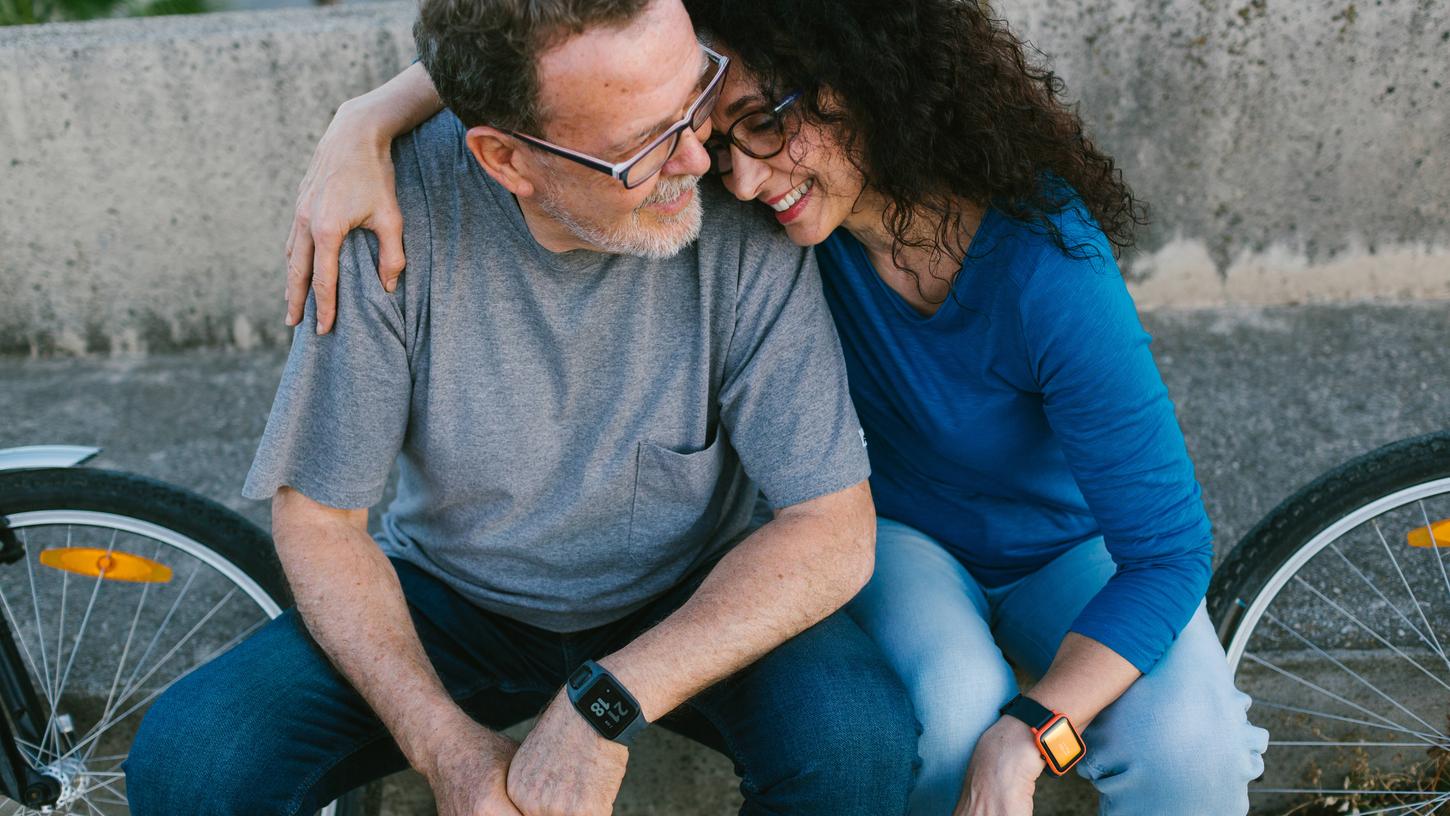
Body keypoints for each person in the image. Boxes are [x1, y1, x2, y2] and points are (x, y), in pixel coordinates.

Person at [286, 1, 1273, 814]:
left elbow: (1168, 553)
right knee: (945, 709)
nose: (741, 178)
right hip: (898, 539)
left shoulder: (1045, 266)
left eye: (766, 123)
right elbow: (546, 52)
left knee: (1190, 752)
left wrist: (1033, 736)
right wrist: (364, 120)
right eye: (721, 133)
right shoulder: (799, 227)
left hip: (1073, 549)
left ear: (864, 72)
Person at [122, 0, 923, 813]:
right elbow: (322, 520)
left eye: (695, 98)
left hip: (693, 585)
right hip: (456, 593)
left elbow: (831, 528)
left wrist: (604, 703)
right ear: (507, 160)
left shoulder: (731, 187)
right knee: (192, 758)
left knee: (857, 747)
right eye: (641, 145)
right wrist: (445, 748)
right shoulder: (387, 216)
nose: (696, 156)